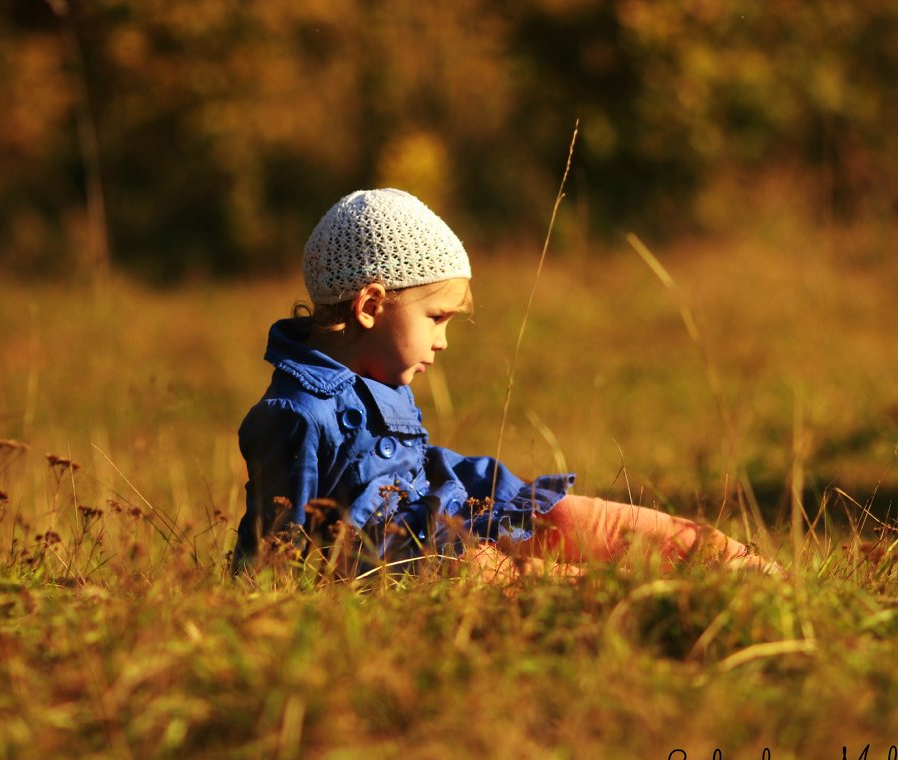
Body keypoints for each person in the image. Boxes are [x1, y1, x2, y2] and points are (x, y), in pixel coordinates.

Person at [236, 188, 775, 578]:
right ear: (372, 305)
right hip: (414, 559)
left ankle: (745, 568)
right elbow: (271, 548)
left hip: (456, 503)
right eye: (437, 319)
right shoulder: (296, 413)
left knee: (579, 517)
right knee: (504, 577)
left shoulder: (375, 370)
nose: (442, 342)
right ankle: (638, 598)